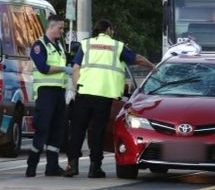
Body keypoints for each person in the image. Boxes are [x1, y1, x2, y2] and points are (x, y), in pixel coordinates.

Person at [63, 19, 155, 178]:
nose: (113, 33)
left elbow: (76, 68)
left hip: (84, 94)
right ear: (108, 30)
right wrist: (153, 67)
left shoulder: (86, 45)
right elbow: (137, 59)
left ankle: (72, 165)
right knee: (98, 132)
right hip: (104, 96)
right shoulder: (117, 46)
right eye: (112, 30)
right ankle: (95, 168)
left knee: (77, 130)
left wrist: (78, 87)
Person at [26, 14, 72, 177]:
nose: (62, 31)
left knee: (58, 130)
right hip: (45, 93)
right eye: (60, 28)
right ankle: (32, 165)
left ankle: (52, 166)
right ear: (51, 27)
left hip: (59, 93)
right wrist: (64, 69)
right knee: (43, 129)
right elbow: (43, 68)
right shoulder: (39, 46)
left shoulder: (59, 46)